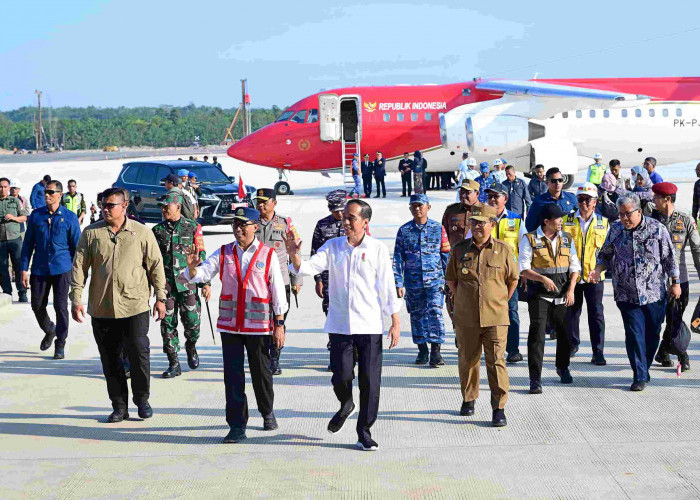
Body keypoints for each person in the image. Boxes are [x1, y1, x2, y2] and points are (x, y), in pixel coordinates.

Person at [287, 199, 400, 451]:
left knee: (370, 381)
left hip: (369, 324)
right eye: (344, 218)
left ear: (365, 222)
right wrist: (294, 253)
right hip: (340, 324)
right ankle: (346, 403)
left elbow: (387, 285)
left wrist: (394, 319)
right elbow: (307, 267)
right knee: (340, 375)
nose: (345, 222)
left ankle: (364, 431)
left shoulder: (377, 249)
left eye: (351, 218)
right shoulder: (333, 246)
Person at [182, 206, 286, 443]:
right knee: (233, 376)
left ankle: (267, 411)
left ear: (255, 227)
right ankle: (237, 425)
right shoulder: (224, 252)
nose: (238, 229)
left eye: (243, 225)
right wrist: (191, 268)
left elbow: (278, 293)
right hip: (230, 327)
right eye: (235, 225)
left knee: (261, 373)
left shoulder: (268, 255)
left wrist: (279, 324)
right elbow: (201, 274)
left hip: (258, 327)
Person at [70, 187, 167, 422]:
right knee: (111, 360)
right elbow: (79, 267)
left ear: (124, 206)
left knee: (139, 355)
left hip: (135, 306)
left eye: (110, 205)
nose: (105, 209)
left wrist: (161, 298)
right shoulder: (91, 233)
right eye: (103, 204)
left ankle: (142, 400)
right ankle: (119, 406)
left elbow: (155, 266)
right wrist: (76, 299)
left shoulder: (142, 232)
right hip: (102, 308)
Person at [590, 193, 680, 391]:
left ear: (639, 211)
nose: (624, 218)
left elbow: (669, 259)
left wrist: (675, 282)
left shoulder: (657, 229)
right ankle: (638, 375)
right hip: (626, 293)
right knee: (634, 334)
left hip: (654, 293)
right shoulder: (615, 229)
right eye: (621, 214)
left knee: (653, 333)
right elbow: (605, 255)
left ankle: (644, 367)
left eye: (627, 214)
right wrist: (597, 270)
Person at [445, 204, 518, 427]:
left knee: (496, 362)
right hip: (466, 316)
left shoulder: (504, 249)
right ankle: (469, 399)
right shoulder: (459, 249)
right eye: (473, 222)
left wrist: (499, 300)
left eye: (481, 223)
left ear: (492, 225)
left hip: (495, 316)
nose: (476, 227)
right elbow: (451, 280)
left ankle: (499, 407)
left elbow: (513, 279)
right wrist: (462, 300)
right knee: (468, 360)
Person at [519, 203, 581, 394]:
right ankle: (535, 379)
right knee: (537, 337)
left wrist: (571, 289)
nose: (561, 222)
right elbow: (523, 267)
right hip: (539, 296)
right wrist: (542, 278)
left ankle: (563, 368)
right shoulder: (529, 239)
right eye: (558, 219)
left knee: (564, 334)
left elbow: (574, 267)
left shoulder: (567, 239)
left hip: (562, 295)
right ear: (547, 222)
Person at [152, 192, 211, 378]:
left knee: (193, 324)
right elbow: (152, 261)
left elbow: (201, 256)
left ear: (177, 207)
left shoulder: (193, 227)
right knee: (167, 324)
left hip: (188, 285)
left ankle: (191, 345)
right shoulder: (156, 231)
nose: (163, 209)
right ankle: (173, 363)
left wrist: (205, 284)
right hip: (166, 286)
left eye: (166, 206)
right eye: (162, 207)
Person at [20, 180, 80, 359]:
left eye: (51, 192)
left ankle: (60, 343)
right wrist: (24, 269)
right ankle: (50, 329)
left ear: (60, 195)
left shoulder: (69, 217)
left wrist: (76, 272)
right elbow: (28, 244)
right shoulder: (36, 216)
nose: (46, 195)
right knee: (37, 305)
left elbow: (76, 247)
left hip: (62, 268)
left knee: (61, 306)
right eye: (45, 192)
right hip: (39, 268)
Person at [393, 194, 450, 366]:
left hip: (435, 281)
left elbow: (446, 255)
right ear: (410, 209)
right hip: (413, 282)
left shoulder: (438, 228)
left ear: (428, 207)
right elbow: (397, 258)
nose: (417, 209)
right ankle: (422, 350)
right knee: (417, 316)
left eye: (420, 205)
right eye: (414, 206)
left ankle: (436, 351)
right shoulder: (404, 231)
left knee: (435, 312)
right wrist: (398, 282)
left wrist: (449, 280)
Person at [650, 182, 700, 372]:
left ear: (667, 200)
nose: (653, 200)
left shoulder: (686, 220)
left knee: (675, 318)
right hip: (656, 280)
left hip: (680, 279)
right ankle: (682, 354)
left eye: (657, 197)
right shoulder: (649, 220)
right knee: (671, 318)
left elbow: (697, 249)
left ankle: (663, 351)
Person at [255, 188, 302, 375]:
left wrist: (296, 279)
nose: (260, 205)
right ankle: (262, 357)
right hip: (257, 282)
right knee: (259, 321)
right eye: (258, 201)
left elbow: (294, 251)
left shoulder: (286, 223)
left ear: (274, 202)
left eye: (264, 201)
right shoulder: (251, 223)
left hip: (281, 282)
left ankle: (275, 358)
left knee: (278, 321)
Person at [562, 183, 609, 366]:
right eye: (580, 200)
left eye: (587, 200)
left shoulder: (603, 223)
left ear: (595, 202)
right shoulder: (566, 221)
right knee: (572, 312)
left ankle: (598, 351)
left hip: (594, 277)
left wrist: (600, 269)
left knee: (596, 314)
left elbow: (608, 251)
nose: (584, 204)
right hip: (572, 276)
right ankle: (572, 344)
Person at [485, 183, 524, 364]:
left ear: (505, 199)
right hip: (486, 275)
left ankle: (513, 349)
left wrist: (522, 272)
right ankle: (490, 348)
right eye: (490, 196)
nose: (492, 199)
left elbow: (523, 248)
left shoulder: (516, 220)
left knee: (511, 311)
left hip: (508, 277)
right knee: (486, 312)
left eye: (496, 196)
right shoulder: (482, 218)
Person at [311, 190, 348, 370]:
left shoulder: (354, 222)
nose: (339, 215)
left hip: (350, 279)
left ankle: (351, 352)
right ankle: (335, 355)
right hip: (329, 279)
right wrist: (318, 280)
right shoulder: (322, 225)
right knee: (331, 315)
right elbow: (314, 253)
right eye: (335, 211)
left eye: (342, 210)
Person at [442, 179, 482, 322]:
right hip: (455, 264)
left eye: (468, 192)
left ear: (477, 193)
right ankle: (459, 332)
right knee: (453, 299)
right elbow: (444, 237)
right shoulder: (451, 211)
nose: (463, 195)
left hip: (478, 265)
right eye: (462, 191)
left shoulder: (485, 211)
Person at [0, 177, 29, 302]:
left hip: (15, 238)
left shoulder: (15, 201)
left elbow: (25, 217)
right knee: (2, 267)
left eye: (5, 187)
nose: (2, 189)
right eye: (0, 187)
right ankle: (7, 293)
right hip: (0, 239)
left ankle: (22, 292)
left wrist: (13, 218)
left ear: (9, 188)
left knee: (18, 265)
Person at [525, 167, 577, 232]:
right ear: (547, 183)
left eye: (560, 180)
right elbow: (530, 225)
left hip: (568, 238)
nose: (557, 183)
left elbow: (580, 218)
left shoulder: (572, 198)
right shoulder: (539, 201)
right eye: (553, 181)